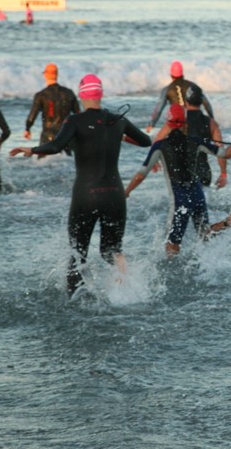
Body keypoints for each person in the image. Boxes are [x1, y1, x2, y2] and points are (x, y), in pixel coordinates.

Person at [9, 75, 152, 295]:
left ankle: (74, 301)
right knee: (111, 251)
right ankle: (126, 290)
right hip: (115, 195)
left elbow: (56, 145)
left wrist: (31, 150)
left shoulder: (74, 121)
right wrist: (119, 136)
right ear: (100, 94)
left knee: (78, 253)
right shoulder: (117, 121)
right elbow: (146, 141)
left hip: (86, 196)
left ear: (82, 94)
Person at [126, 104, 231, 255]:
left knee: (172, 244)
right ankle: (228, 222)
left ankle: (174, 276)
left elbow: (142, 173)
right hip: (197, 192)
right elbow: (227, 153)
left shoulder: (160, 146)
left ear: (167, 123)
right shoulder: (196, 141)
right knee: (204, 233)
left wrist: (127, 191)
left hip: (180, 198)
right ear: (185, 122)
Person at [154, 84, 225, 188]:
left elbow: (158, 141)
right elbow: (220, 151)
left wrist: (154, 160)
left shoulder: (177, 121)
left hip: (180, 172)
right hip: (203, 172)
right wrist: (223, 173)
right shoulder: (211, 123)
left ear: (186, 101)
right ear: (201, 102)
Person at [24, 63, 80, 152]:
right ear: (56, 75)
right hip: (66, 134)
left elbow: (32, 115)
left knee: (44, 162)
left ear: (45, 75)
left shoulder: (41, 95)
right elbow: (78, 114)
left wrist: (27, 129)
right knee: (68, 162)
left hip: (48, 134)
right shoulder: (69, 93)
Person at [146, 60, 213, 132]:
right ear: (182, 73)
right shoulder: (192, 86)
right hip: (193, 121)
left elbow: (159, 109)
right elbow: (206, 103)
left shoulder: (167, 89)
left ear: (171, 74)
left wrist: (152, 124)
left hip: (176, 124)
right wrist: (211, 118)